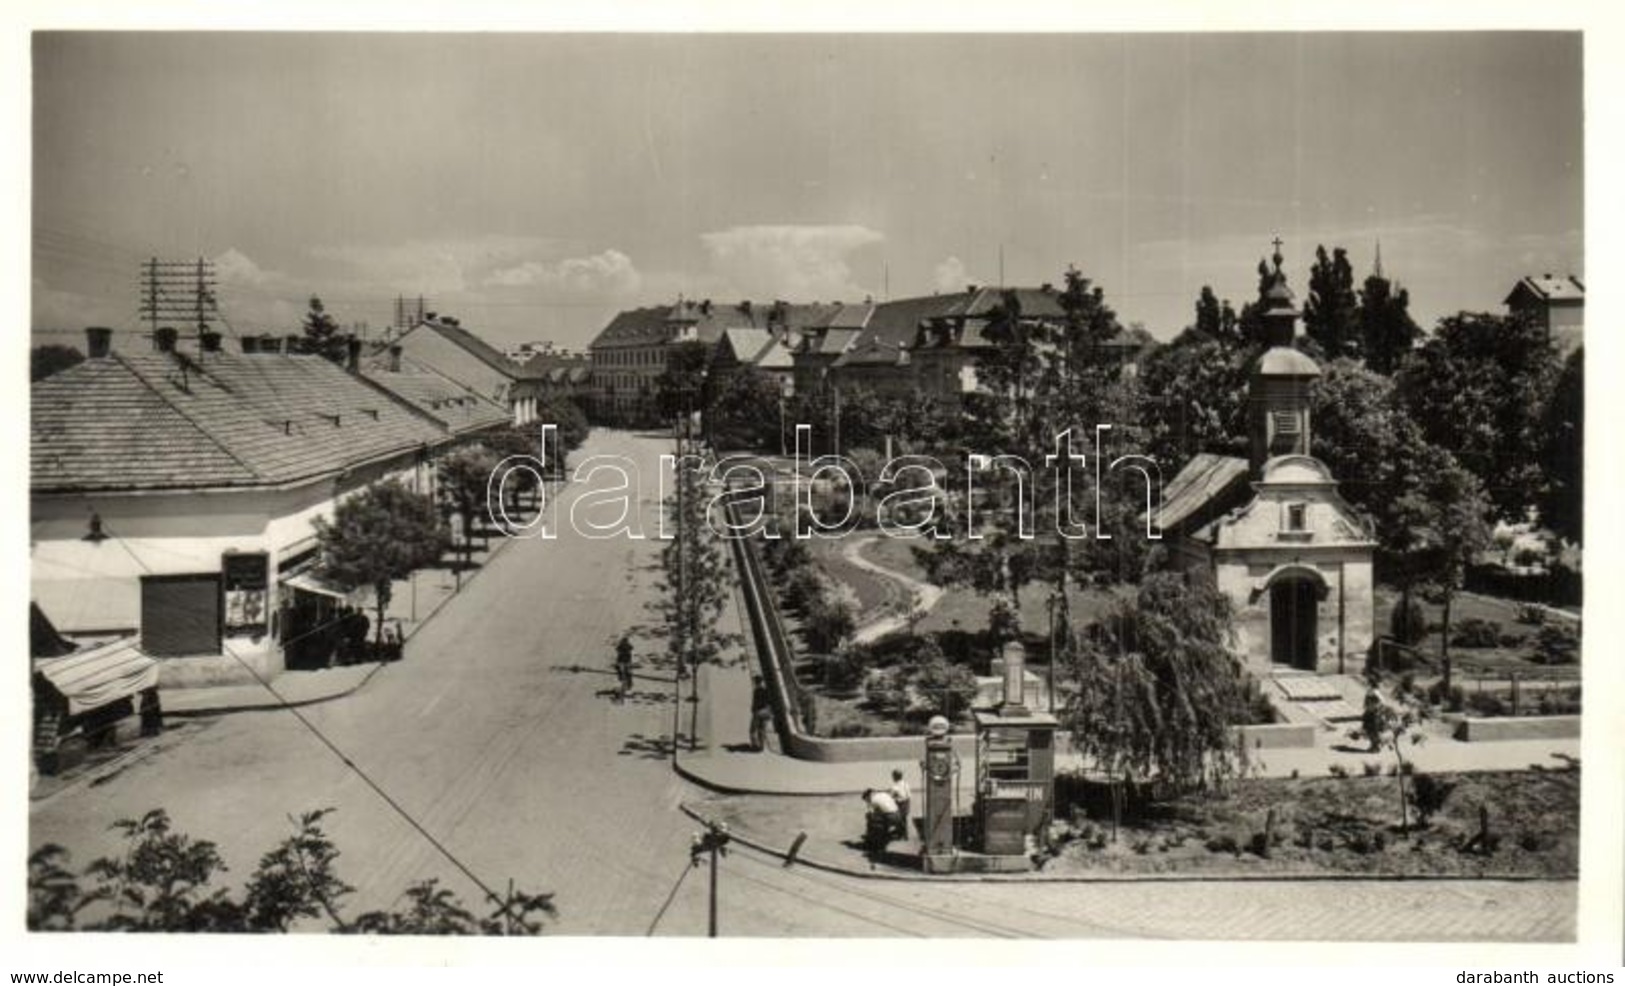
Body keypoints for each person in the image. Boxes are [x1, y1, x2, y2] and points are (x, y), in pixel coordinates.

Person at [861, 788, 901, 855]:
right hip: (898, 815)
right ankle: (880, 839)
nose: (867, 801)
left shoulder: (873, 800)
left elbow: (870, 814)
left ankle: (877, 846)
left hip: (890, 817)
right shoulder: (883, 794)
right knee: (878, 820)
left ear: (868, 796)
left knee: (873, 823)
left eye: (866, 800)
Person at [887, 768, 912, 840]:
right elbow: (908, 796)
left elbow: (890, 797)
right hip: (907, 804)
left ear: (895, 777)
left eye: (893, 776)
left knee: (897, 819)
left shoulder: (894, 787)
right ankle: (905, 835)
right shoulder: (906, 784)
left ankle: (900, 835)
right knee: (904, 820)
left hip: (900, 806)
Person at [748, 675, 771, 752]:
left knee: (752, 729)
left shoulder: (756, 691)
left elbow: (755, 702)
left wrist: (753, 710)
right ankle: (762, 746)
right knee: (762, 729)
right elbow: (769, 702)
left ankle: (754, 745)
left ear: (756, 682)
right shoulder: (766, 690)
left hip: (758, 712)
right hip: (765, 711)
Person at [614, 635, 634, 703]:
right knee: (628, 674)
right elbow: (631, 648)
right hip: (627, 662)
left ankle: (624, 682)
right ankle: (628, 684)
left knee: (622, 675)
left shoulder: (620, 647)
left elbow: (617, 651)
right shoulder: (628, 646)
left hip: (622, 662)